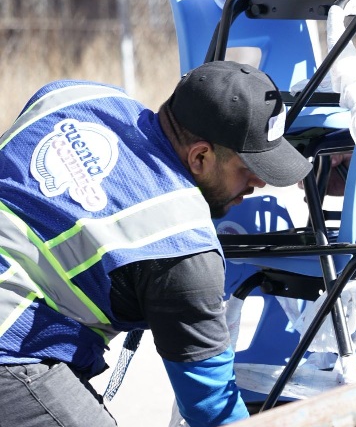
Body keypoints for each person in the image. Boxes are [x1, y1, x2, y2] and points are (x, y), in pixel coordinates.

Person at [0, 60, 312, 426]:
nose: (259, 182)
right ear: (200, 157)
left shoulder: (73, 96)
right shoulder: (179, 246)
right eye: (249, 168)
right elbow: (214, 409)